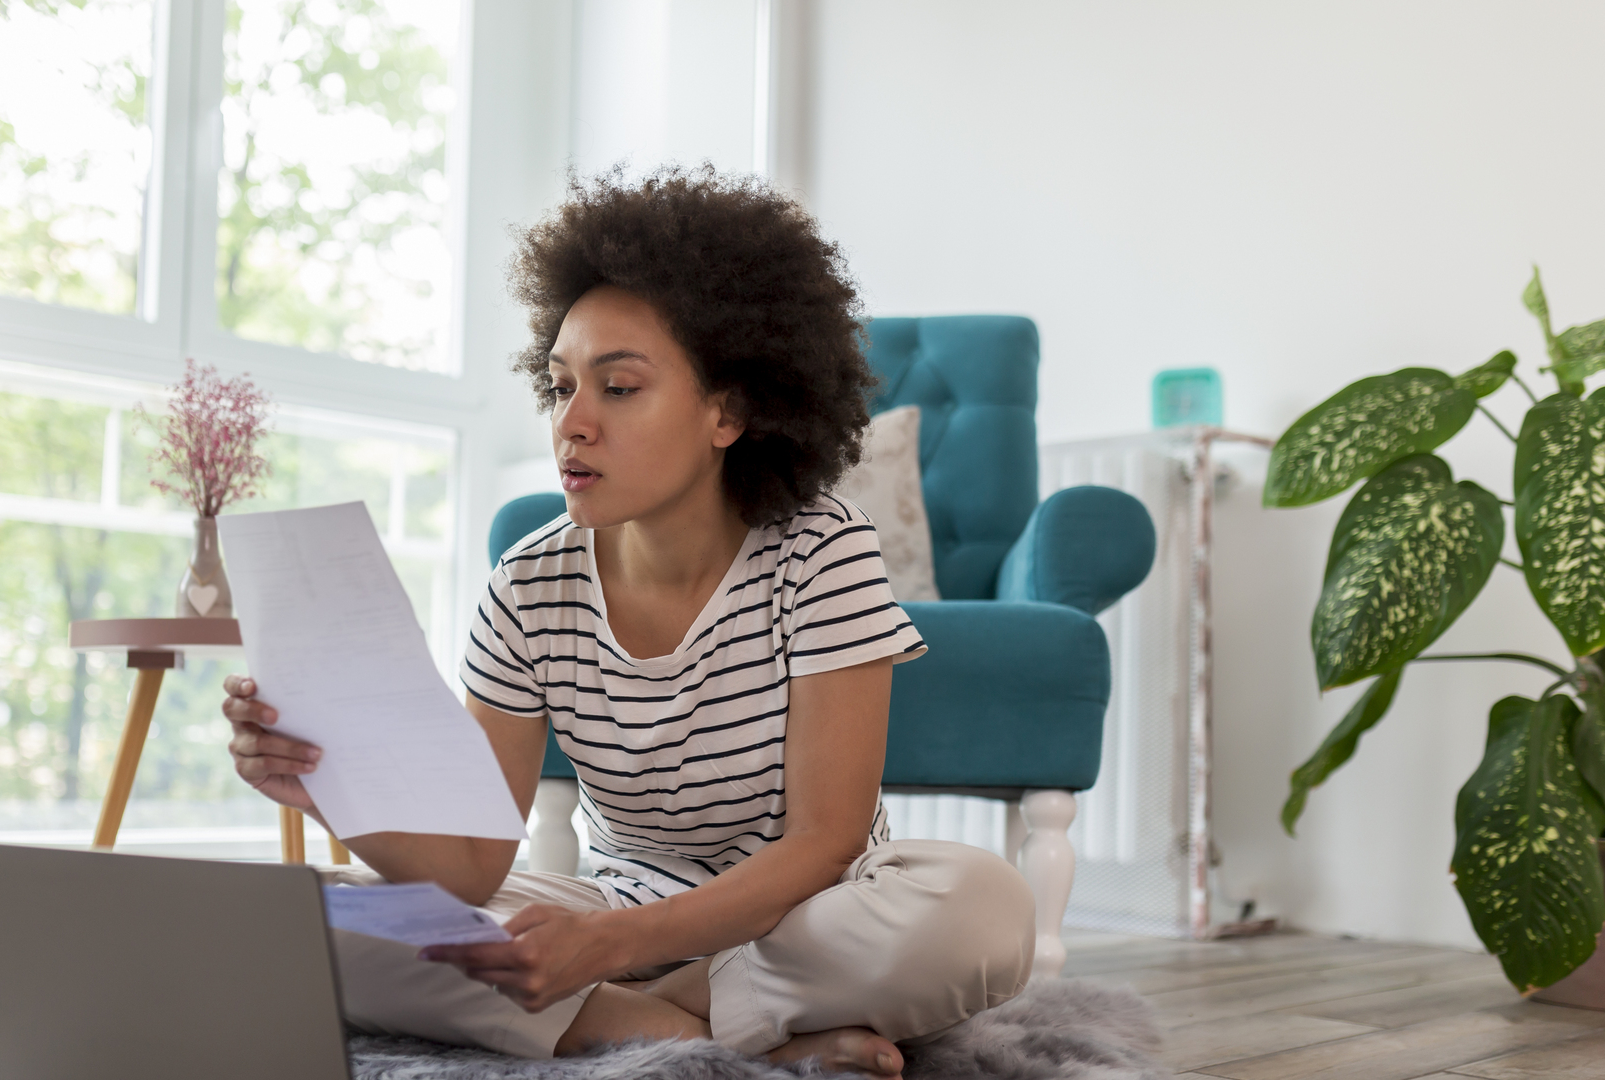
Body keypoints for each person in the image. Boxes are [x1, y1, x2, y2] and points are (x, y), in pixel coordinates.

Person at [223, 167, 1033, 1079]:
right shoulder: (526, 586)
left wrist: (603, 952)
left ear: (726, 411)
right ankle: (716, 1034)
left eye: (618, 388)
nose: (571, 424)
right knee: (317, 915)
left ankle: (626, 1020)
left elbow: (826, 841)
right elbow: (469, 866)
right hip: (610, 903)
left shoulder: (821, 552)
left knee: (982, 905)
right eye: (561, 385)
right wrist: (336, 785)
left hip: (801, 918)